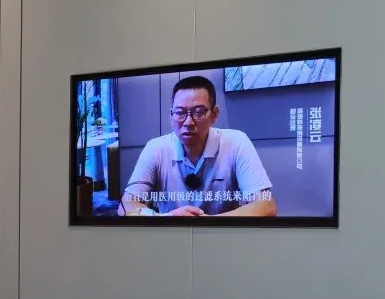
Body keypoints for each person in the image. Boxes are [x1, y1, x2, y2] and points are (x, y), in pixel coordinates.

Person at [118, 75, 276, 218]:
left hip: (223, 236)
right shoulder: (156, 148)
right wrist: (168, 218)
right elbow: (126, 206)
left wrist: (208, 224)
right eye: (180, 112)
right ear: (171, 115)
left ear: (214, 114)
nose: (188, 122)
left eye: (199, 112)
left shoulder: (236, 142)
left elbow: (266, 206)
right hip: (170, 235)